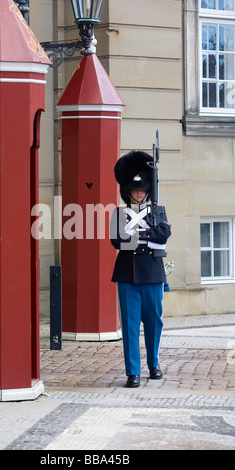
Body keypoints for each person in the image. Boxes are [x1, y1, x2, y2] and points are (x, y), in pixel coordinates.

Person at [110, 150, 171, 388]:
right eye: (135, 189)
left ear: (148, 191)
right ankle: (132, 371)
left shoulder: (157, 211)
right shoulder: (120, 213)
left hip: (153, 274)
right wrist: (146, 236)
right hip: (128, 275)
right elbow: (117, 240)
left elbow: (164, 234)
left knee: (154, 322)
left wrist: (138, 235)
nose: (139, 192)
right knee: (130, 324)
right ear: (128, 191)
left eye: (143, 189)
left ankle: (154, 364)